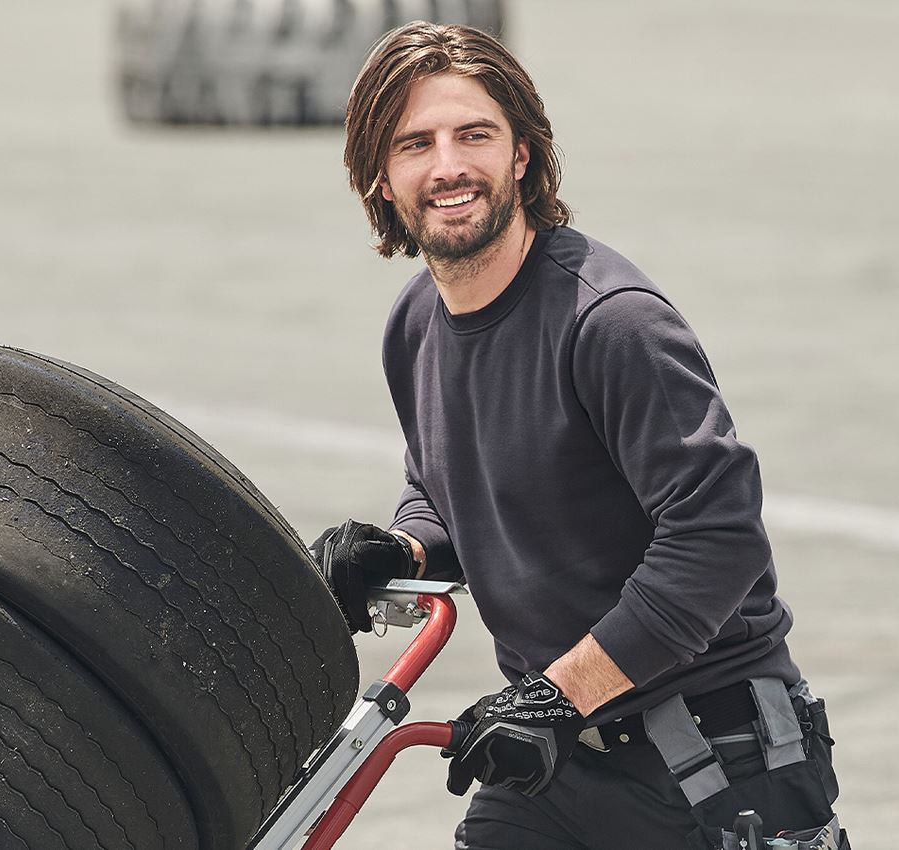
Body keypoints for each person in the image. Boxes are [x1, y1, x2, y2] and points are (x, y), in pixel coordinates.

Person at [313, 20, 849, 850]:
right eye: (416, 143)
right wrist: (406, 549)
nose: (448, 165)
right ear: (380, 179)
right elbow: (449, 484)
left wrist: (557, 694)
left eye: (475, 135)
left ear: (521, 157)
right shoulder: (416, 325)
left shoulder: (611, 323)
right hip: (556, 765)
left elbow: (718, 539)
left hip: (714, 757)